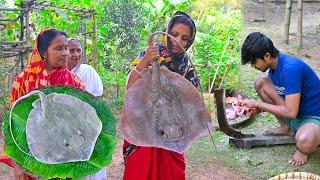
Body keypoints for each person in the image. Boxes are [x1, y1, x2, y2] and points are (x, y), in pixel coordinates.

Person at [123, 11, 198, 180]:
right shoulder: (150, 53)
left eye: (184, 38)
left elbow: (192, 105)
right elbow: (130, 87)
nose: (178, 41)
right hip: (142, 131)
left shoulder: (188, 69)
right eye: (174, 34)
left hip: (171, 135)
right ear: (167, 31)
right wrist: (146, 61)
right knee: (139, 173)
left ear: (190, 41)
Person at [0, 28, 84, 180]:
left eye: (66, 48)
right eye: (59, 48)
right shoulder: (24, 81)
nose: (65, 53)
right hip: (32, 159)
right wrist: (18, 165)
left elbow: (80, 125)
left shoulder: (75, 83)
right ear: (43, 53)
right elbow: (13, 124)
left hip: (66, 159)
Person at [240, 32, 320, 166]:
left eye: (254, 62)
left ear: (266, 56)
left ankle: (304, 147)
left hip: (313, 118)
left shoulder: (291, 69)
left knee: (305, 140)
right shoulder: (273, 70)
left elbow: (291, 112)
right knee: (261, 83)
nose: (253, 66)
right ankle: (286, 127)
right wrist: (258, 109)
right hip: (295, 115)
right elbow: (285, 102)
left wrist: (256, 103)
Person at [67, 39, 106, 180]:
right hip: (68, 129)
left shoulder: (88, 72)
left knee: (91, 169)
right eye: (71, 50)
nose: (76, 54)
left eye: (78, 50)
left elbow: (98, 99)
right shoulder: (61, 73)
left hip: (90, 126)